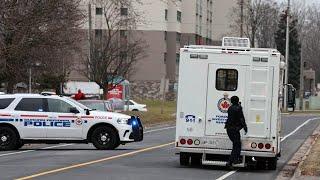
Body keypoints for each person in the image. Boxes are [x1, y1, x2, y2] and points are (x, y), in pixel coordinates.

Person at [225, 96, 248, 167]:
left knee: (235, 144)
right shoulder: (238, 108)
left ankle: (233, 160)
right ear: (237, 101)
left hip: (229, 129)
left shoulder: (230, 108)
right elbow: (241, 118)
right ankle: (232, 161)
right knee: (237, 145)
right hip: (234, 129)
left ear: (231, 101)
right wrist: (245, 127)